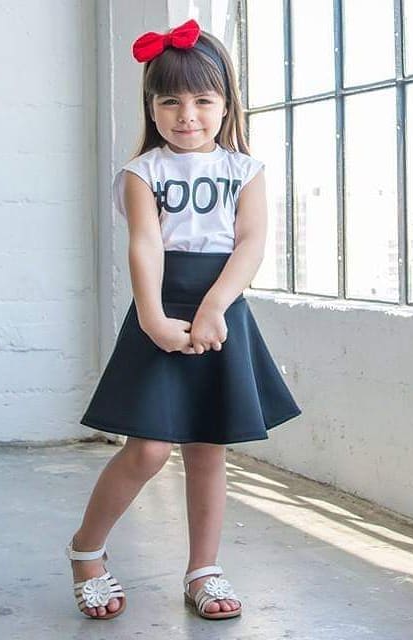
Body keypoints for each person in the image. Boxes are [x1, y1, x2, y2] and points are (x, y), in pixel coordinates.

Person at [64, 18, 302, 621]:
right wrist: (153, 317)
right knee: (147, 450)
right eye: (170, 100)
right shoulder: (143, 172)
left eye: (202, 99)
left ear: (226, 105)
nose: (187, 113)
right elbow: (145, 245)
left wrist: (217, 307)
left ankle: (203, 569)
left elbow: (249, 244)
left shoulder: (246, 171)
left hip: (221, 310)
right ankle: (86, 552)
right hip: (161, 312)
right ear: (152, 105)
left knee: (208, 446)